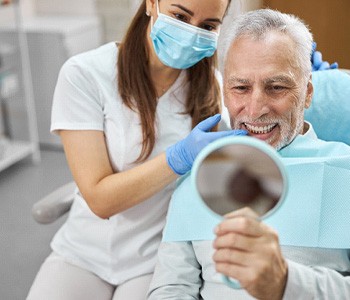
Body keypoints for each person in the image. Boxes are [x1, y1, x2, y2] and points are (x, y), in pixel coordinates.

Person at [26, 0, 245, 299]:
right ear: (151, 4)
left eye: (208, 27)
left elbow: (234, 170)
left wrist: (295, 76)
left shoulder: (213, 90)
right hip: (82, 252)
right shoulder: (86, 74)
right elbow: (100, 200)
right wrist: (178, 158)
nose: (191, 33)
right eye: (180, 15)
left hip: (157, 257)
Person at [147, 9, 350, 299]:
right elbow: (171, 287)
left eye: (276, 87)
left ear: (307, 93)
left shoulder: (346, 172)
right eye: (240, 88)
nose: (255, 110)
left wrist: (286, 282)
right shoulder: (198, 174)